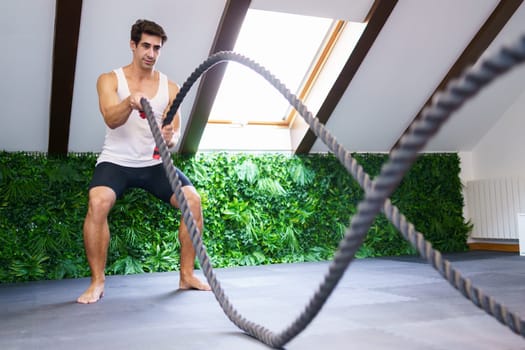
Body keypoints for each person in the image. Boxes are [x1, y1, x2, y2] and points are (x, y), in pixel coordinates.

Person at [77, 19, 211, 304]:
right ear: (133, 45)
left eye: (157, 48)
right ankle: (97, 282)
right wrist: (129, 102)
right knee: (98, 202)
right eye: (146, 46)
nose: (151, 53)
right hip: (116, 161)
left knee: (193, 200)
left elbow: (173, 135)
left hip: (154, 164)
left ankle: (186, 275)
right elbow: (111, 120)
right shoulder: (110, 79)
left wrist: (169, 136)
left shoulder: (170, 87)